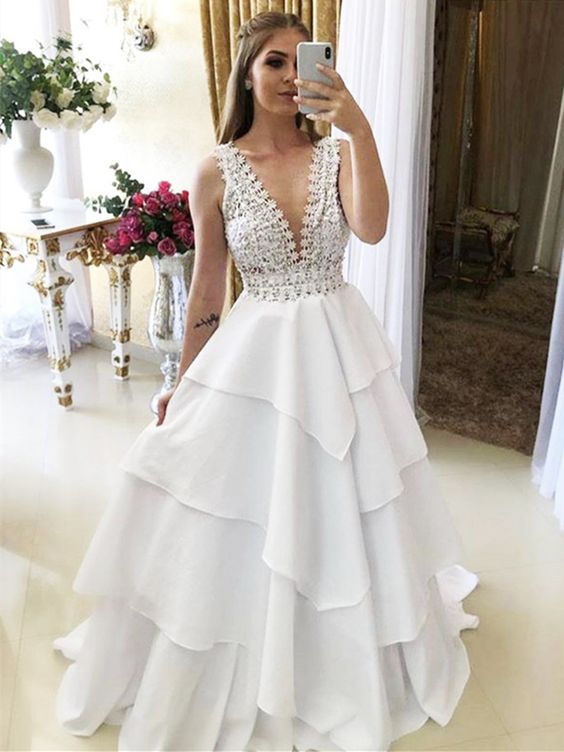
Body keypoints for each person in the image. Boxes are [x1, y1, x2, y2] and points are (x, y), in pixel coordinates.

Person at [53, 11, 479, 751]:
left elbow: (373, 228)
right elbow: (208, 287)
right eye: (273, 62)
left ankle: (345, 651)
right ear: (247, 74)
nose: (289, 76)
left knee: (350, 499)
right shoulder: (215, 170)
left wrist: (361, 128)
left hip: (339, 353)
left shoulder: (337, 153)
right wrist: (183, 384)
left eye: (301, 60)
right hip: (258, 357)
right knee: (245, 505)